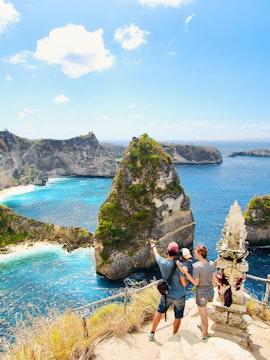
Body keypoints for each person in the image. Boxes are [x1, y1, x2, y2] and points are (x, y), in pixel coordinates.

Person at [148, 242, 188, 341]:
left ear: (167, 251)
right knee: (177, 317)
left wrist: (153, 246)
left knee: (159, 312)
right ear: (177, 252)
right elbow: (184, 284)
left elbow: (156, 254)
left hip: (167, 295)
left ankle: (152, 333)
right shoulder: (180, 266)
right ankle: (174, 335)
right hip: (179, 296)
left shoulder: (162, 262)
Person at [181, 244, 215, 340]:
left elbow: (196, 283)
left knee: (203, 316)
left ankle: (205, 334)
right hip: (210, 291)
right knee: (204, 309)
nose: (194, 254)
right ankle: (203, 323)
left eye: (195, 252)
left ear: (200, 254)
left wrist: (186, 273)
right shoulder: (211, 263)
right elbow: (214, 280)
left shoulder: (196, 267)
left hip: (202, 293)